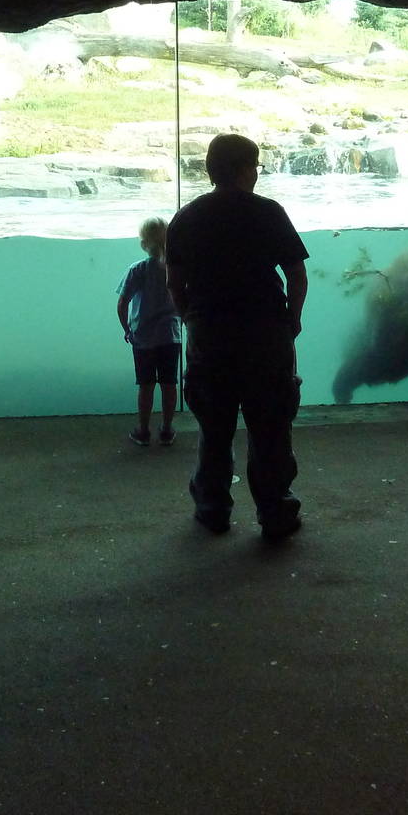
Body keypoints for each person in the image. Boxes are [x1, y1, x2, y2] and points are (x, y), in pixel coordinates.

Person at [166, 133, 309, 540]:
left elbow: (174, 282)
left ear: (211, 170)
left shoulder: (187, 217)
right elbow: (296, 274)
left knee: (214, 429)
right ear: (247, 169)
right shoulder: (268, 212)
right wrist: (292, 319)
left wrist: (191, 319)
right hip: (266, 336)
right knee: (270, 428)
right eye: (256, 166)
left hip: (210, 337)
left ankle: (212, 510)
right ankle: (275, 512)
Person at [117, 216, 181, 447]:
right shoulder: (173, 269)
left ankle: (143, 431)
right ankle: (166, 429)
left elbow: (122, 303)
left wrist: (127, 328)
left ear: (143, 244)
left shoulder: (137, 269)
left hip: (143, 338)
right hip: (170, 336)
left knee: (145, 385)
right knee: (169, 384)